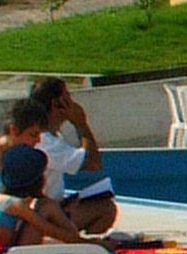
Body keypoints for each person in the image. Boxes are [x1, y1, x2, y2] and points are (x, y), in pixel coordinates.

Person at [25, 77, 118, 235]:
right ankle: (79, 244)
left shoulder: (49, 137)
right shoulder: (47, 143)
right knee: (106, 209)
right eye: (68, 96)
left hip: (51, 205)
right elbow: (92, 163)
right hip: (43, 213)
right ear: (56, 103)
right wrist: (81, 124)